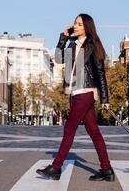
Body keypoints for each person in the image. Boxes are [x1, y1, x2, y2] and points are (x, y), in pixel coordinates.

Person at [36, 14, 114, 182]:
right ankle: (106, 169)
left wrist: (105, 99)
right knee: (94, 132)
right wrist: (63, 38)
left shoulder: (93, 46)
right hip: (76, 92)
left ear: (87, 27)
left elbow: (101, 73)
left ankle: (56, 167)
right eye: (75, 23)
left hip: (86, 91)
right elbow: (58, 59)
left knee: (69, 129)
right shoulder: (72, 45)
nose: (75, 26)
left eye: (79, 24)